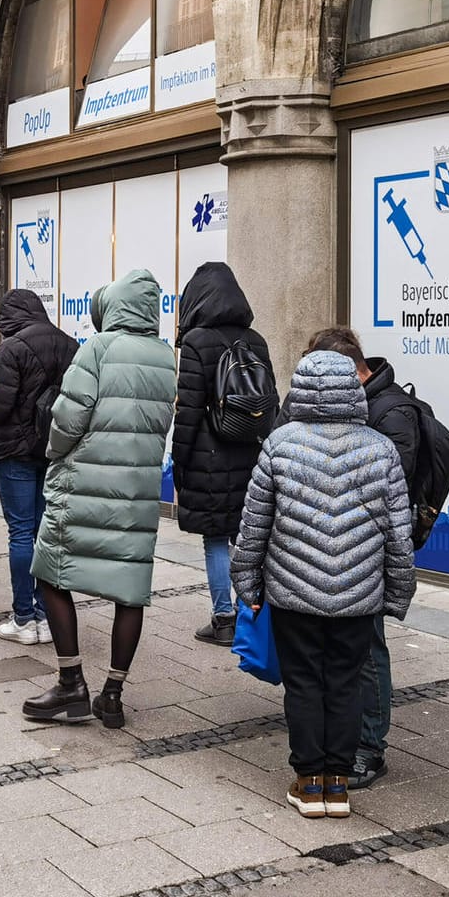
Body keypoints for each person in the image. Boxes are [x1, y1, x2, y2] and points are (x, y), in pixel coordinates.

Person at [231, 348, 414, 819]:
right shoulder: (380, 449)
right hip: (358, 595)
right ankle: (339, 782)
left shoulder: (280, 444)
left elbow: (254, 526)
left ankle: (308, 782)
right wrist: (397, 595)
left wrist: (247, 587)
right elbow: (398, 534)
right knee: (346, 684)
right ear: (354, 391)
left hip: (295, 593)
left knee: (304, 685)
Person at [21, 271, 175, 727]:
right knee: (129, 590)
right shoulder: (165, 357)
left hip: (84, 482)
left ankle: (71, 683)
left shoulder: (99, 348)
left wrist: (54, 454)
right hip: (137, 490)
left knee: (50, 572)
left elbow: (68, 418)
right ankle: (112, 693)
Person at [294, 326, 423, 791]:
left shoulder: (391, 416)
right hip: (332, 556)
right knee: (343, 659)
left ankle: (370, 745)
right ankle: (338, 742)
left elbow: (390, 503)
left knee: (368, 654)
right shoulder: (352, 412)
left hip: (363, 560)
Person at [172, 262, 277, 647]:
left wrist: (179, 465)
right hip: (251, 454)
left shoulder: (198, 342)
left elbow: (187, 411)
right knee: (248, 537)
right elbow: (271, 405)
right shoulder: (258, 340)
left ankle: (223, 618)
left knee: (215, 539)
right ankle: (249, 612)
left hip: (207, 457)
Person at [0, 289, 76, 644]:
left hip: (15, 450)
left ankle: (23, 618)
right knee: (45, 533)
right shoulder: (69, 345)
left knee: (21, 532)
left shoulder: (11, 348)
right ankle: (46, 616)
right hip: (52, 451)